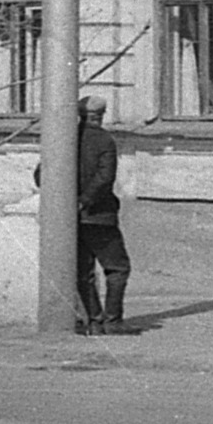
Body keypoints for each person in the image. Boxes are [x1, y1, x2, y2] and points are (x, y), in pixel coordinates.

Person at [75, 94, 136, 335]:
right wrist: (86, 201)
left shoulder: (64, 138)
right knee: (117, 268)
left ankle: (94, 320)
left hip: (71, 218)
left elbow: (41, 174)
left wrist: (71, 202)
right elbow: (105, 178)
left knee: (83, 272)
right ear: (101, 116)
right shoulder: (104, 141)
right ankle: (112, 321)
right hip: (99, 215)